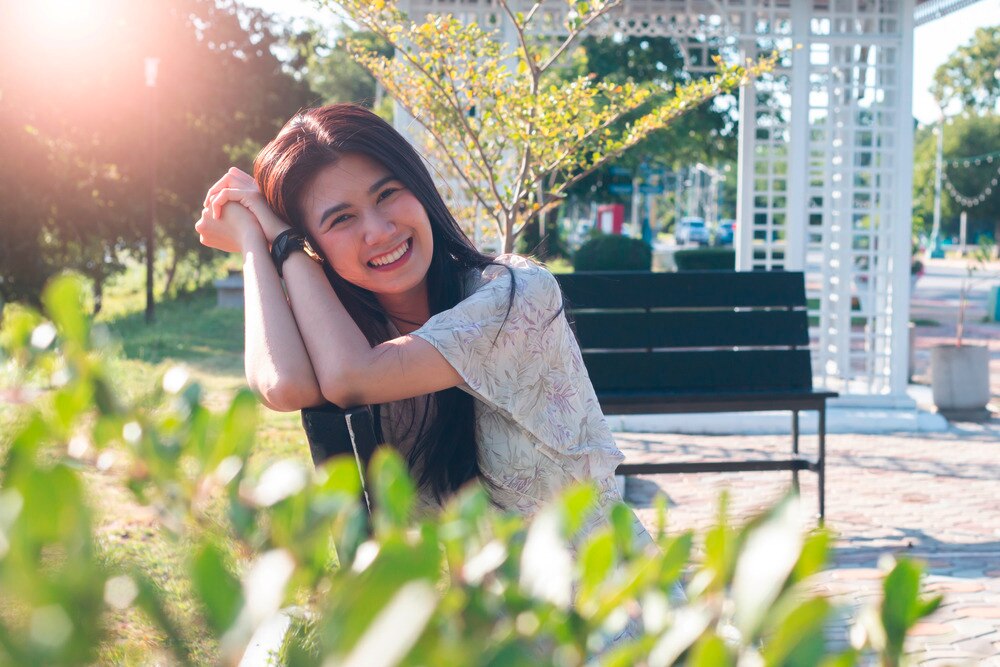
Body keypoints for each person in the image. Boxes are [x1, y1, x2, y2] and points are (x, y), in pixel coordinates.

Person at [195, 103, 651, 545]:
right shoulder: (348, 337)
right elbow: (285, 386)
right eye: (341, 219)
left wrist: (280, 240)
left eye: (387, 194)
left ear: (419, 186)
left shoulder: (515, 295)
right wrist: (257, 241)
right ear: (315, 245)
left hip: (598, 586)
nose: (380, 231)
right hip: (484, 595)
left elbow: (352, 378)